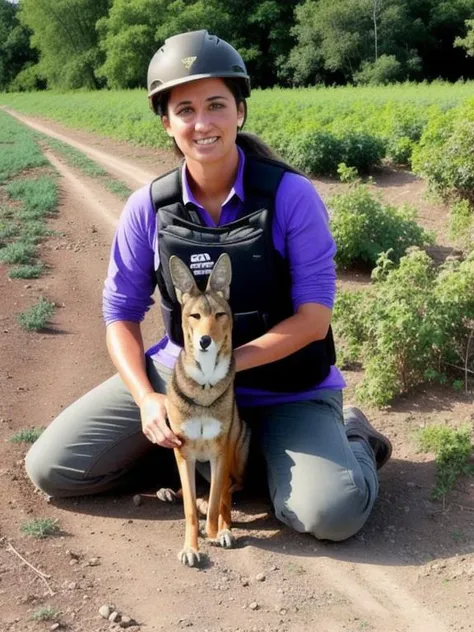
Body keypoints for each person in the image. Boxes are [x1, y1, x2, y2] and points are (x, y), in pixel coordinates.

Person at [25, 30, 392, 542]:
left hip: (286, 387)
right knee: (55, 468)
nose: (202, 123)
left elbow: (314, 320)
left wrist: (221, 371)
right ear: (167, 123)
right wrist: (148, 400)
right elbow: (120, 314)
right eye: (185, 110)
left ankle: (352, 437)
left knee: (329, 513)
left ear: (239, 111)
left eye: (216, 105)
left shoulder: (290, 197)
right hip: (181, 382)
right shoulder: (149, 208)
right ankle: (201, 459)